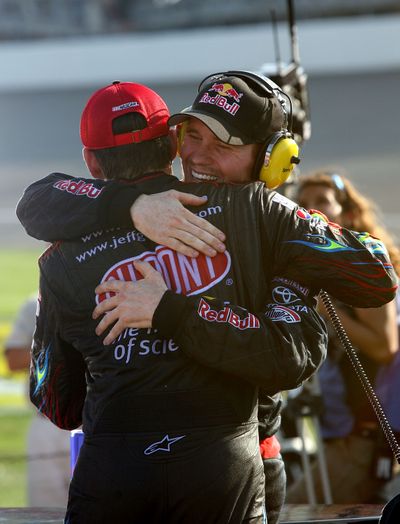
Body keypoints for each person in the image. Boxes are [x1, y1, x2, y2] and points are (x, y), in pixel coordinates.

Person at [16, 77, 396, 523]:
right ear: (171, 145)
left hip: (120, 471)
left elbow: (57, 403)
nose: (200, 155)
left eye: (223, 144)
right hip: (234, 465)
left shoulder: (61, 254)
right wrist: (134, 205)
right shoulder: (254, 210)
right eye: (194, 137)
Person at [285, 169, 400, 504]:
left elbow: (385, 346)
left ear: (348, 214)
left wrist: (326, 309)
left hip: (364, 440)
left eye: (323, 201)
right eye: (304, 203)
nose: (311, 209)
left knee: (293, 510)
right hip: (337, 436)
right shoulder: (323, 266)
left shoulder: (364, 266)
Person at [4, 294, 71, 507]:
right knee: (45, 510)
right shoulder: (36, 303)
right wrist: (61, 349)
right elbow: (13, 358)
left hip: (97, 424)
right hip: (47, 423)